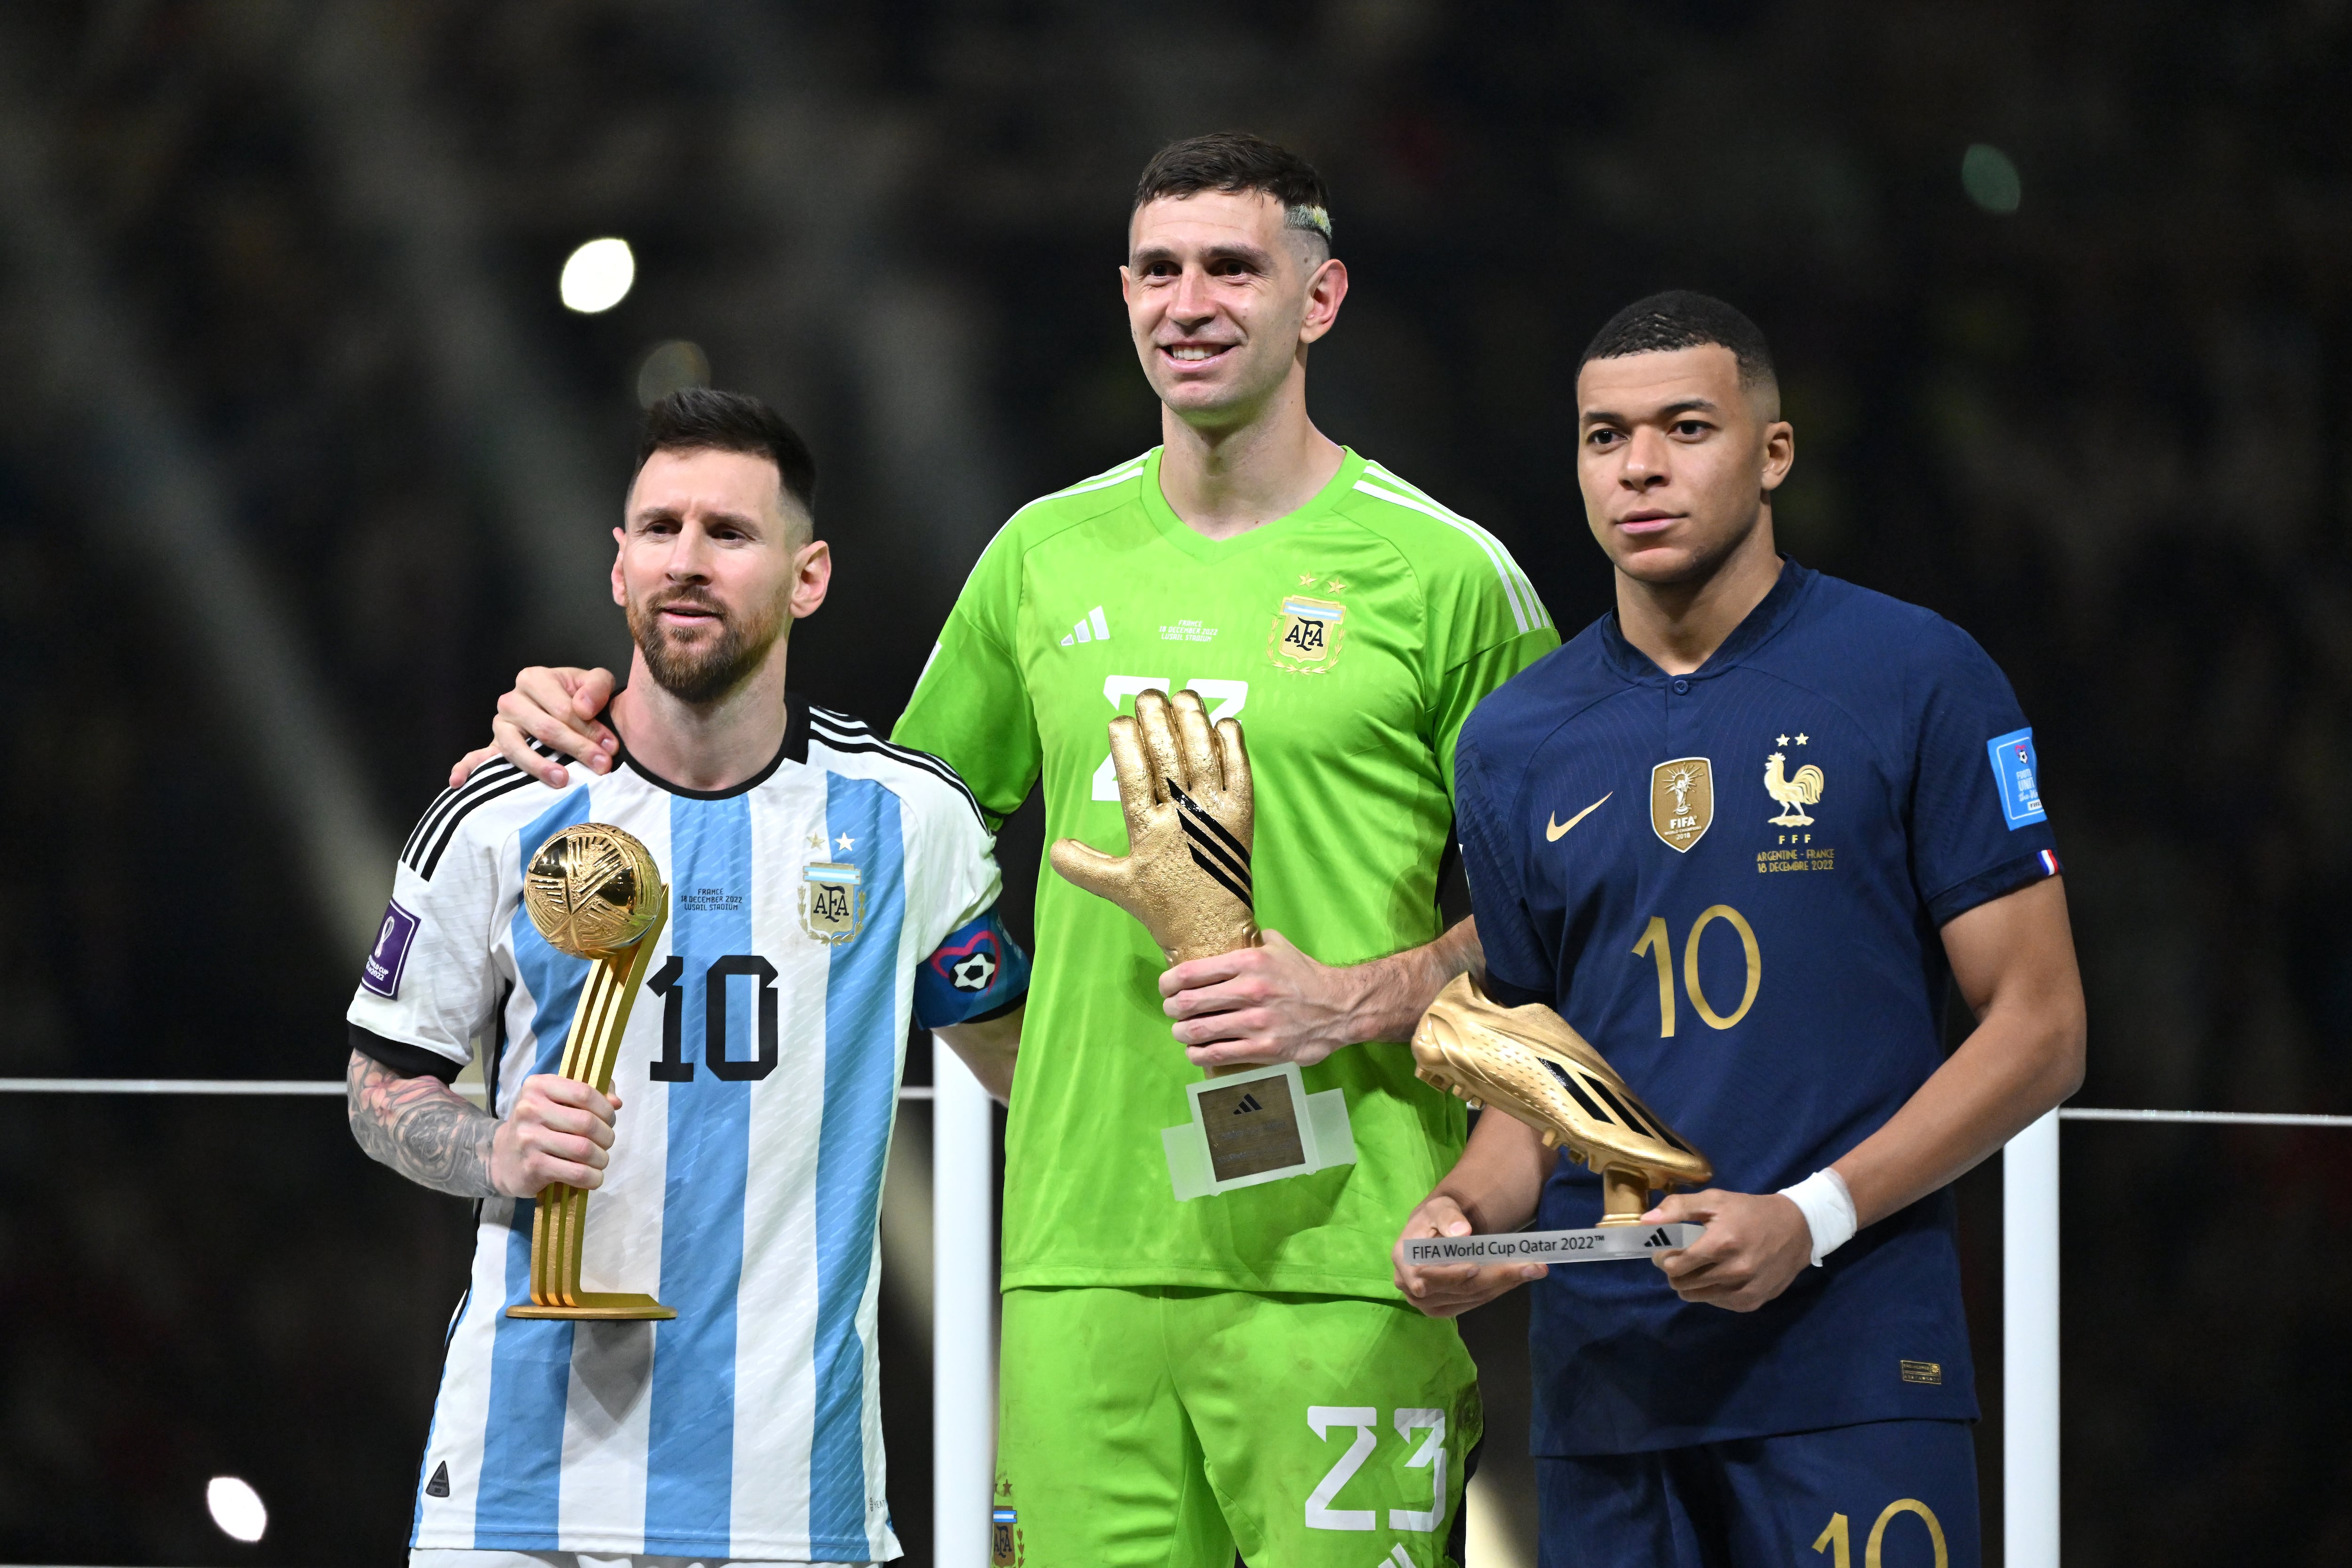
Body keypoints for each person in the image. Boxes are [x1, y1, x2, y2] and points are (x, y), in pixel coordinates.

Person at [465, 134, 1559, 1568]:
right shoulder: (1043, 556)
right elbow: (883, 842)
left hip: (1352, 1260)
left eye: (1235, 265)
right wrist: (605, 710)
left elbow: (1567, 910)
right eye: (1159, 268)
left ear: (1322, 296)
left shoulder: (1447, 576)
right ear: (1123, 295)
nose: (1192, 299)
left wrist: (1361, 1007)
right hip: (1074, 1268)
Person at [1392, 292, 2087, 1568]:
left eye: (1685, 427)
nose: (1640, 466)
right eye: (1606, 436)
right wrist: (1467, 1213)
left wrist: (1811, 1217)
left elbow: (2042, 1027)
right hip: (1607, 1385)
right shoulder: (1512, 741)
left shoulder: (1917, 675)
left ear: (1774, 453)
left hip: (1852, 1359)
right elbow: (1537, 1074)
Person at [346, 388, 1029, 1567]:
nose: (688, 561)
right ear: (618, 566)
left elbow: (1029, 1062)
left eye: (730, 533)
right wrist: (491, 1146)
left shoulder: (907, 819)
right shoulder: (502, 806)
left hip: (788, 1497)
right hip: (519, 1487)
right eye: (660, 529)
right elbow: (381, 1087)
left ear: (807, 575)